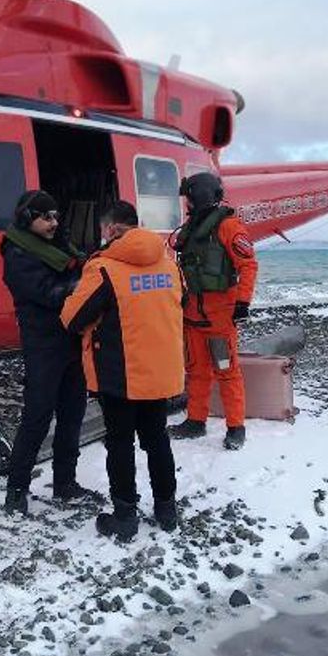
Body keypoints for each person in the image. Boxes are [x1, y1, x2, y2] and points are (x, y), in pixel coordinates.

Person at [61, 200, 184, 540]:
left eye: (103, 229)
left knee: (120, 443)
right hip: (159, 370)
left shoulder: (103, 268)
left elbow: (72, 319)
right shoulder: (169, 262)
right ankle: (166, 509)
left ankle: (125, 516)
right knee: (157, 438)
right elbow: (181, 303)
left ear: (112, 229)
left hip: (121, 373)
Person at [1, 189, 93, 514]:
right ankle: (16, 490)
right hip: (43, 345)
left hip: (70, 339)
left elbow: (80, 267)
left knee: (73, 414)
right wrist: (83, 286)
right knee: (37, 417)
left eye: (56, 216)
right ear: (29, 219)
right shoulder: (17, 254)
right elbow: (47, 293)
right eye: (46, 217)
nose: (54, 222)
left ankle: (65, 483)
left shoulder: (60, 245)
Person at [169, 172, 259, 450]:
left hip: (220, 317)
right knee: (196, 371)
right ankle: (196, 421)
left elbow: (248, 265)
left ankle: (236, 427)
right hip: (193, 314)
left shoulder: (228, 227)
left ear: (199, 196)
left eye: (189, 198)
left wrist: (242, 303)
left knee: (226, 371)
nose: (187, 204)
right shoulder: (192, 228)